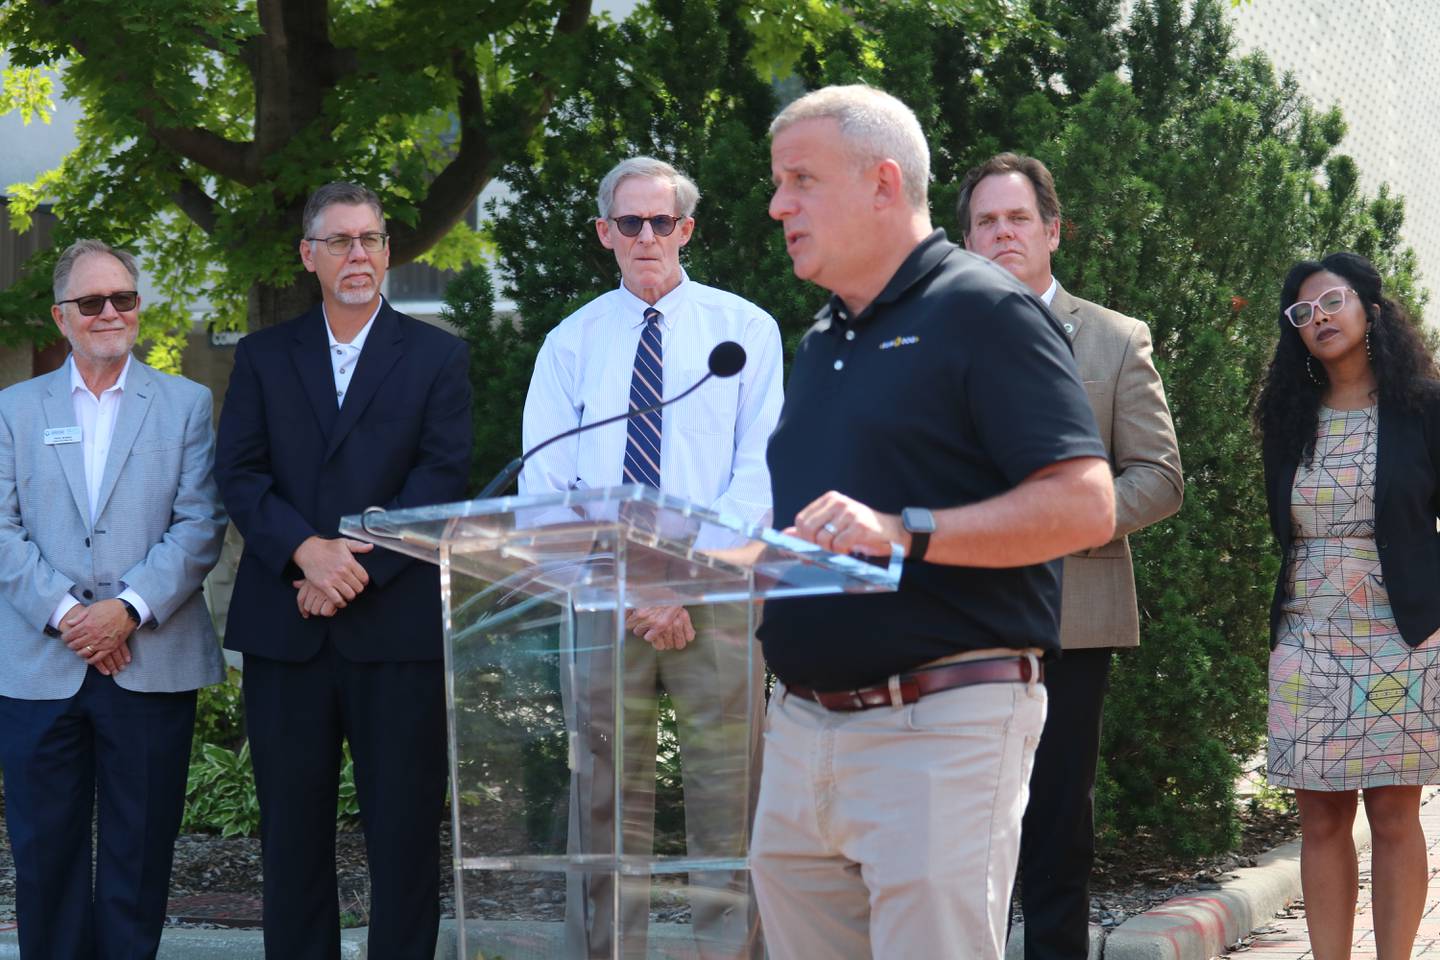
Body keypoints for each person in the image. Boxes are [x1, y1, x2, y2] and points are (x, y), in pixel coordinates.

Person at [755, 84, 1115, 960]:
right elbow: (824, 532)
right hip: (801, 734)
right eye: (777, 183)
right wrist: (718, 560)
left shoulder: (984, 311)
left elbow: (1085, 502)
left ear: (883, 183)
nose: (777, 205)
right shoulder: (820, 340)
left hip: (938, 728)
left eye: (800, 179)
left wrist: (905, 529)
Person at [520, 155, 784, 958]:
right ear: (604, 233)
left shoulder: (746, 331)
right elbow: (544, 476)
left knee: (728, 805)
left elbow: (760, 472)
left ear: (686, 230)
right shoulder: (572, 343)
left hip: (719, 597)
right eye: (628, 222)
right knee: (602, 804)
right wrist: (632, 584)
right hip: (603, 597)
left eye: (660, 221)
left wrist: (680, 581)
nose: (646, 236)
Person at [215, 182, 472, 960]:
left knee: (403, 837)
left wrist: (350, 564)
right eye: (340, 241)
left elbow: (442, 479)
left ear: (388, 251)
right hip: (286, 627)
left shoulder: (439, 354)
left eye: (371, 240)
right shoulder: (263, 356)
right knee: (291, 837)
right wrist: (306, 552)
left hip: (394, 630)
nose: (358, 255)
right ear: (309, 256)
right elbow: (240, 473)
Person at [958, 152, 1184, 958]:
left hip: (1070, 616)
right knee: (958, 833)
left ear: (1052, 230)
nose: (1003, 233)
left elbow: (1158, 476)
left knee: (1056, 824)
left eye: (1018, 218)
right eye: (986, 221)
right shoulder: (931, 337)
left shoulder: (1117, 340)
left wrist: (1061, 523)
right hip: (952, 616)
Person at [0, 239, 227, 958]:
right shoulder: (13, 409)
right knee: (46, 861)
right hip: (39, 664)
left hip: (152, 660)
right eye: (92, 302)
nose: (110, 313)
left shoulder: (187, 404)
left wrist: (125, 609)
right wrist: (71, 616)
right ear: (60, 317)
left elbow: (200, 523)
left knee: (138, 860)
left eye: (123, 299)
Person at [1255, 251, 1440, 960]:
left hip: (1404, 631)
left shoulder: (1424, 408)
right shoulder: (1286, 418)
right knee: (1320, 817)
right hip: (1308, 634)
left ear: (1370, 310)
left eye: (1331, 302)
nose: (1318, 318)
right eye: (1302, 313)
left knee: (1395, 815)